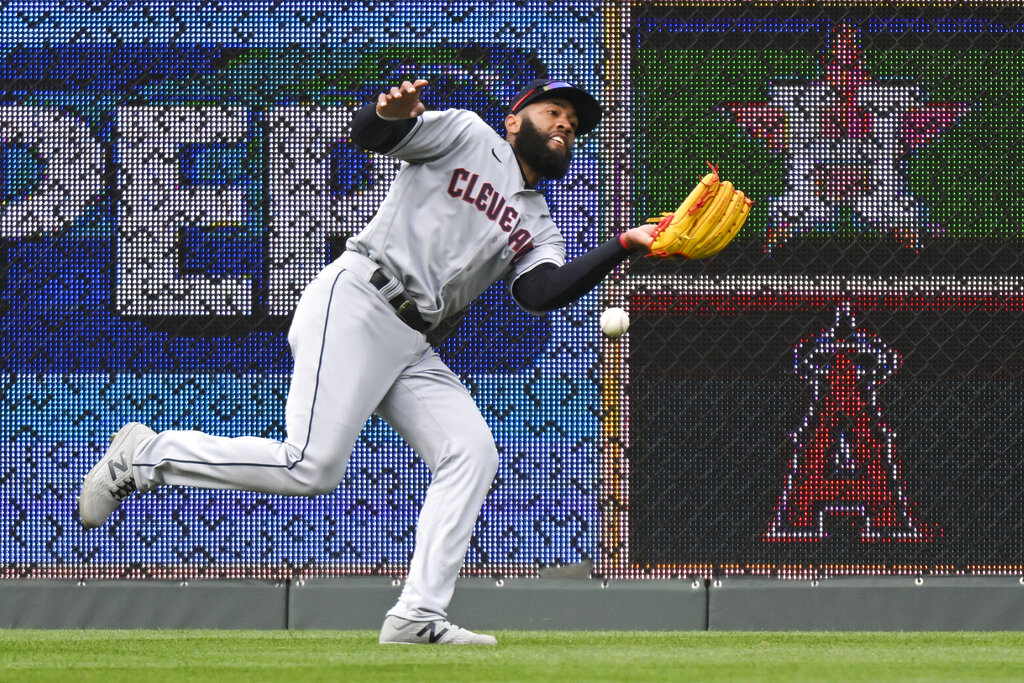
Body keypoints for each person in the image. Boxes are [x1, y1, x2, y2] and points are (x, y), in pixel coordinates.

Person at [78, 78, 657, 645]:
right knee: (312, 466)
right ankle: (146, 455)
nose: (564, 125)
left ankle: (417, 616)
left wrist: (623, 244)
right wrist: (389, 115)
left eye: (574, 125)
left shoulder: (536, 223)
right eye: (553, 112)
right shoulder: (467, 134)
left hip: (411, 341)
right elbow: (372, 136)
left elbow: (539, 292)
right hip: (358, 299)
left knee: (472, 452)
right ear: (514, 120)